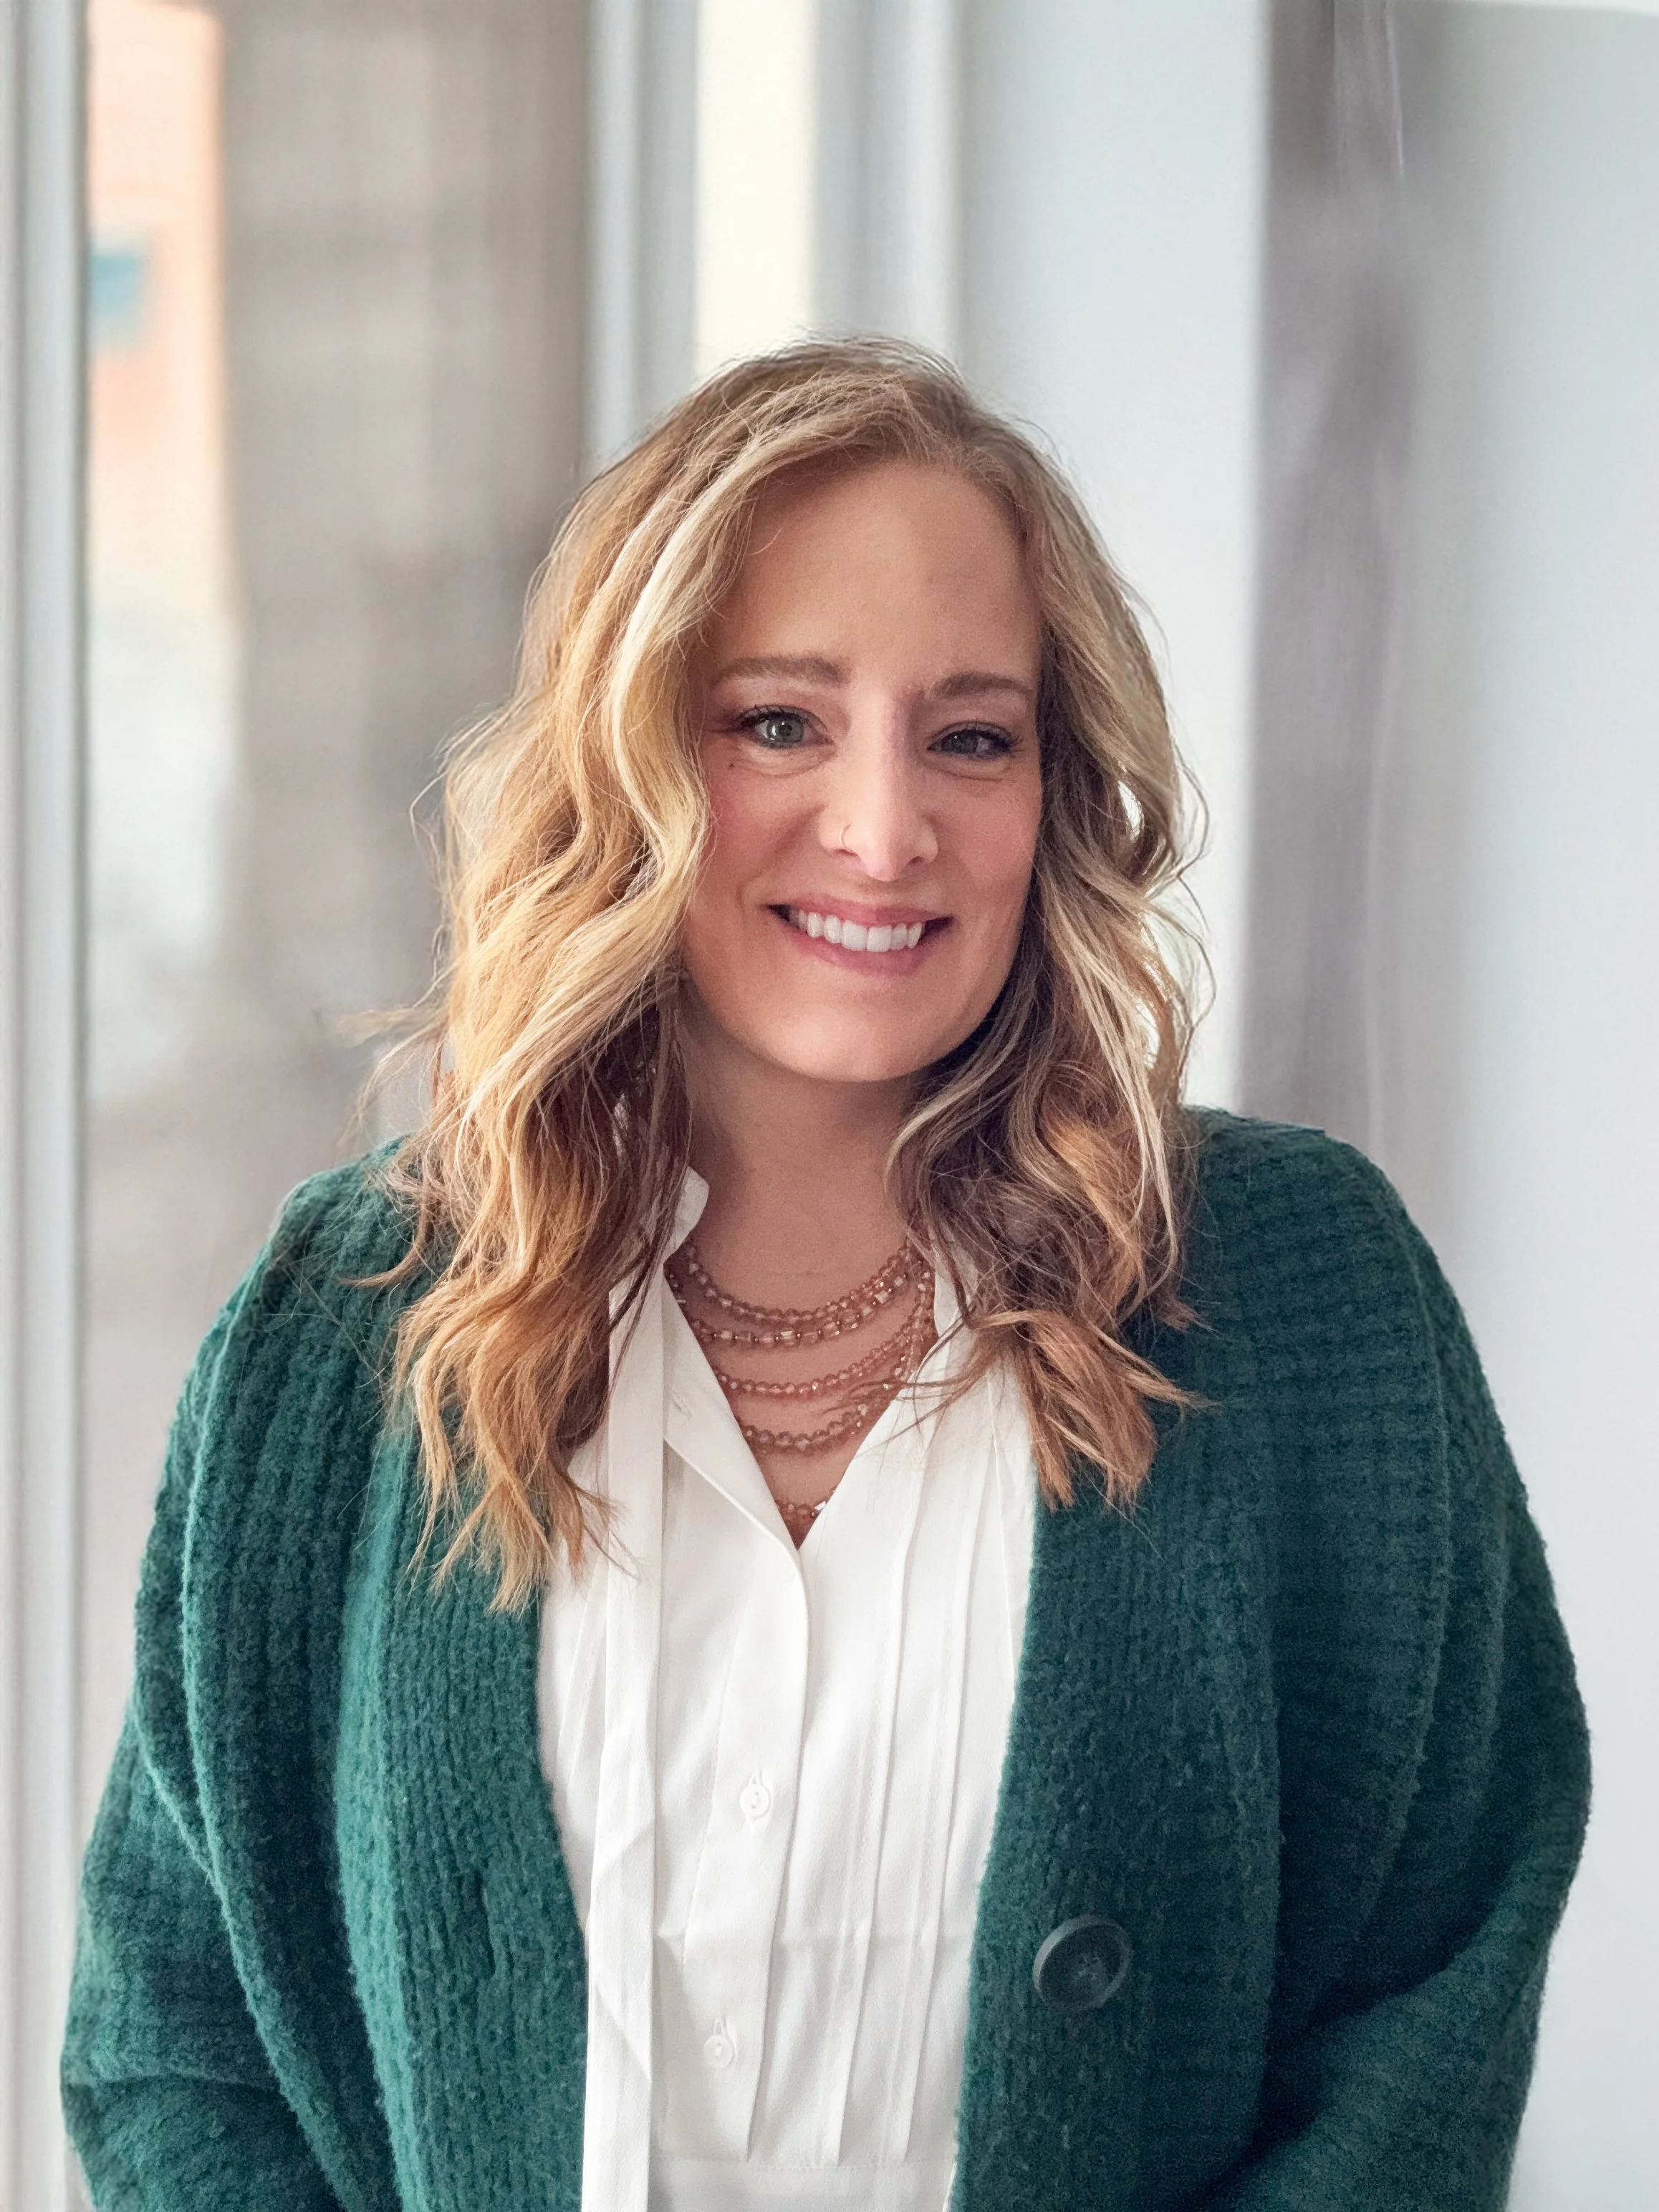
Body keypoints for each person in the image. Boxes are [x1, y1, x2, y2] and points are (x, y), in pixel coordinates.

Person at [62, 338, 1589, 2212]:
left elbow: (1429, 1991)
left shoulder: (1295, 1297)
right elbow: (172, 2037)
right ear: (629, 758)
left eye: (969, 735)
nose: (883, 828)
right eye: (777, 721)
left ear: (1055, 791)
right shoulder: (353, 1323)